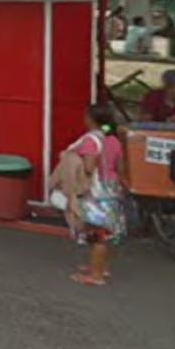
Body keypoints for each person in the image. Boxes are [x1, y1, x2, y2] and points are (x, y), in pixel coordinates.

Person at [52, 103, 128, 286]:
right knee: (105, 233)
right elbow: (121, 167)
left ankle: (96, 276)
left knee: (97, 235)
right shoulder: (114, 140)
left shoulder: (90, 141)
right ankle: (101, 267)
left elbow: (88, 167)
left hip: (95, 192)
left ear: (91, 119)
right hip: (111, 189)